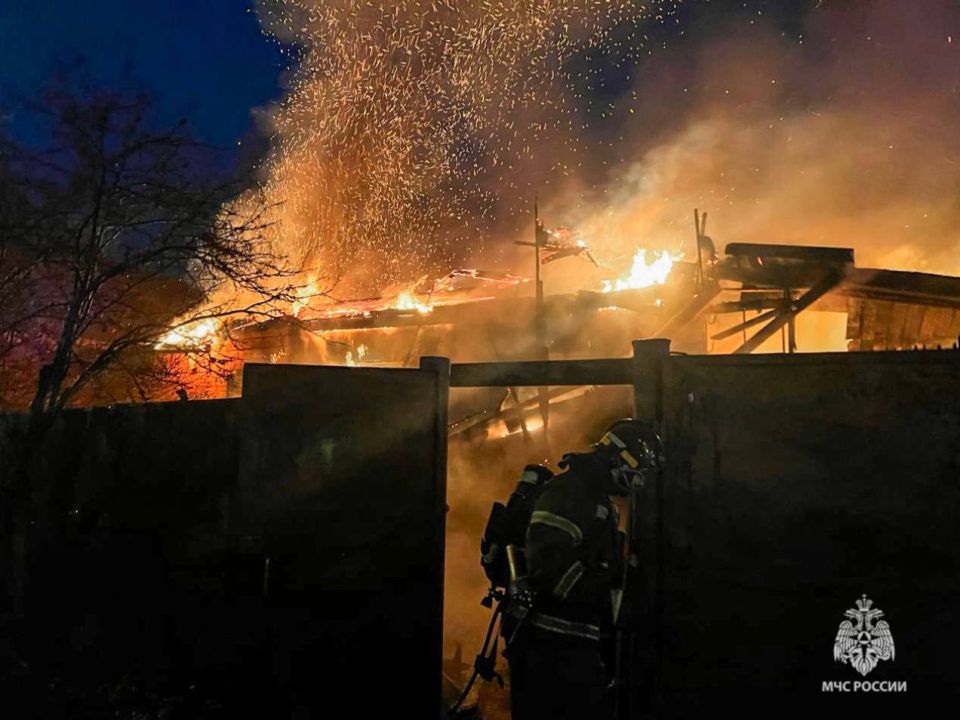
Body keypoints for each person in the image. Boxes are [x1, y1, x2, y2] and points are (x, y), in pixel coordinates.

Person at [503, 419, 661, 720]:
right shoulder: (569, 494)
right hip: (549, 649)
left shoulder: (594, 499)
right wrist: (607, 590)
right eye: (634, 474)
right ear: (617, 459)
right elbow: (550, 569)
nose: (635, 484)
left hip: (571, 649)